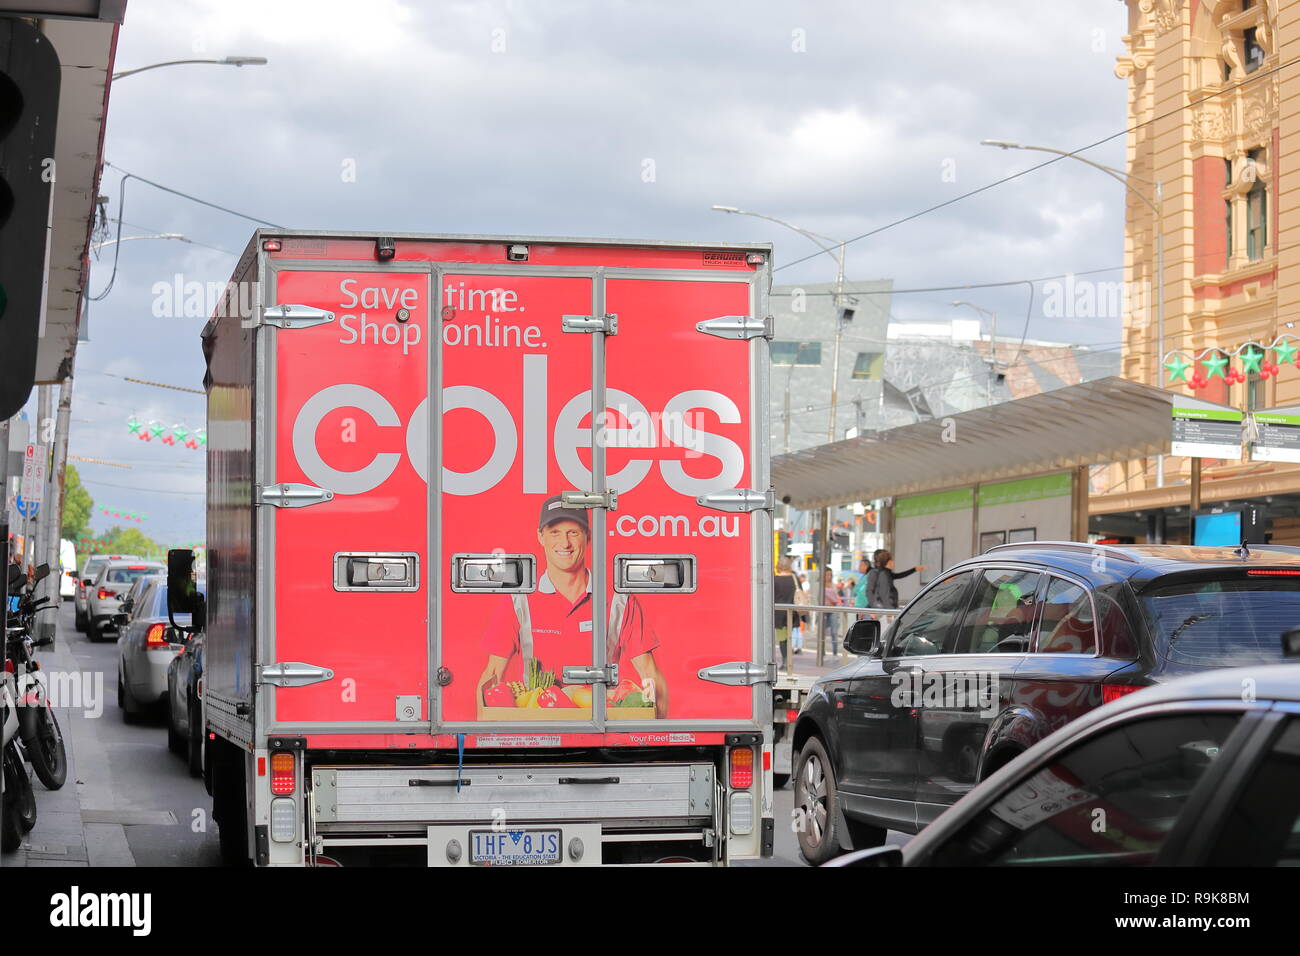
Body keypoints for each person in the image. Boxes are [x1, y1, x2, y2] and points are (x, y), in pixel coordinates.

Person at [477, 496, 669, 717]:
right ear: (541, 536)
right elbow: (492, 676)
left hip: (602, 719)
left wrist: (656, 733)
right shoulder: (519, 600)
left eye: (573, 533)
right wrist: (481, 735)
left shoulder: (619, 600)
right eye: (555, 532)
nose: (565, 543)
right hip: (537, 720)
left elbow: (649, 673)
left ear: (588, 537)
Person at [772, 557, 802, 669]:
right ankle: (788, 661)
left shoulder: (775, 579)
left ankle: (785, 662)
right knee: (789, 637)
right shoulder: (795, 578)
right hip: (793, 612)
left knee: (782, 639)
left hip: (779, 614)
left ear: (779, 566)